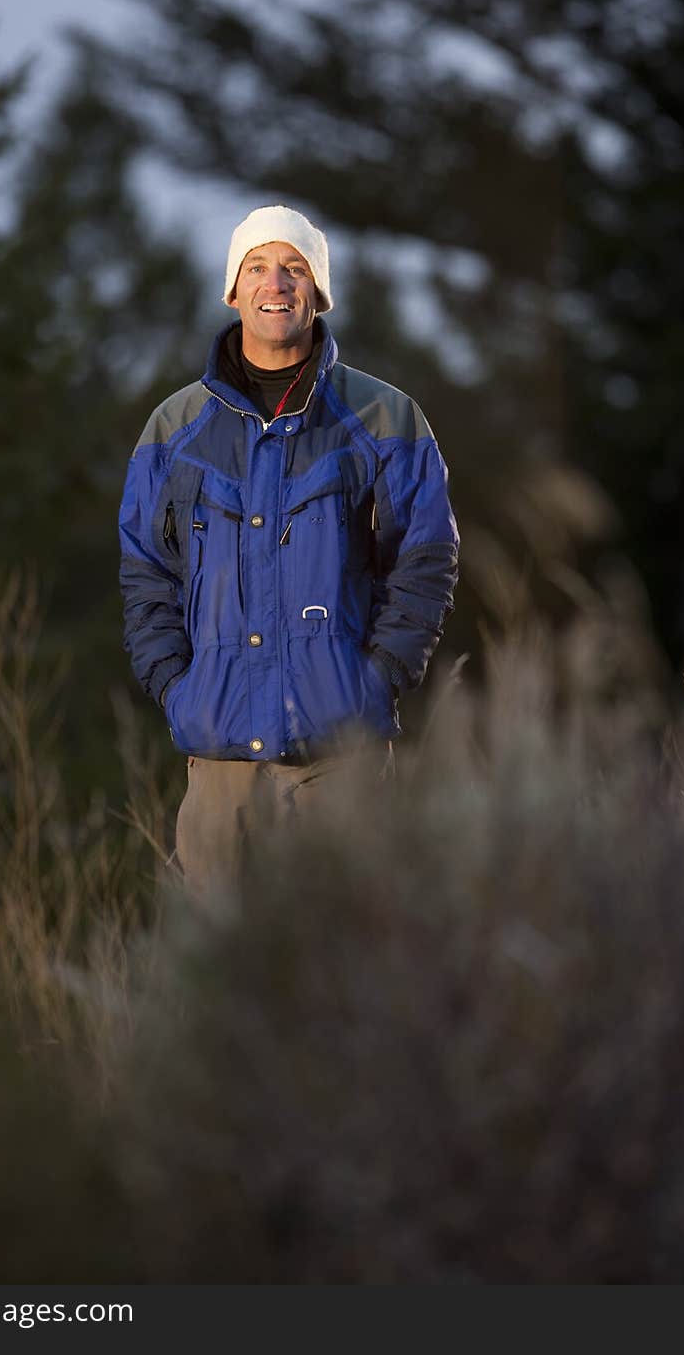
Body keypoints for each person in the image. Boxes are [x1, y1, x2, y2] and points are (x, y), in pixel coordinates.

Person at [119, 205, 459, 897]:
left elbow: (425, 558)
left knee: (349, 979)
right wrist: (177, 690)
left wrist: (378, 678)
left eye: (294, 268)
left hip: (341, 763)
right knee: (215, 983)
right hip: (219, 769)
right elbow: (146, 573)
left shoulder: (385, 418)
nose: (276, 283)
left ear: (318, 292)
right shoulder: (173, 429)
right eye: (257, 267)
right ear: (235, 291)